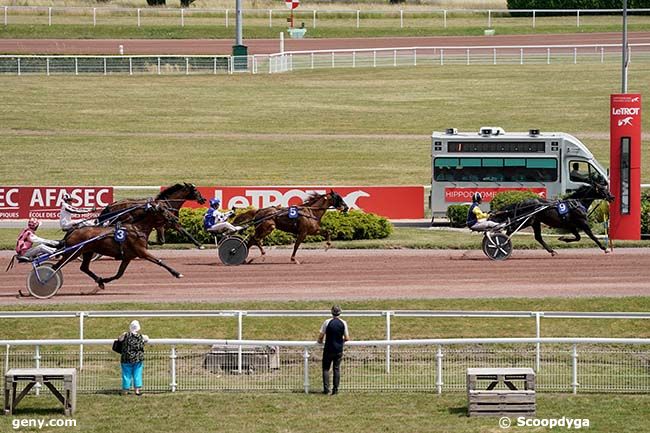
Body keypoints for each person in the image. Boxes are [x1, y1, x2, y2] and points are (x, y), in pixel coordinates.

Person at [317, 305, 350, 395]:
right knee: (336, 369)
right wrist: (340, 342)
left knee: (326, 369)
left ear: (331, 312)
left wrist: (320, 341)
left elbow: (321, 336)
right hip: (338, 350)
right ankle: (335, 390)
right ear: (340, 312)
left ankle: (326, 389)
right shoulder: (343, 323)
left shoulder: (327, 322)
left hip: (328, 349)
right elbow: (347, 338)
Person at [117, 320, 149, 396]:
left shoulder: (125, 335)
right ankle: (137, 390)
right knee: (137, 374)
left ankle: (125, 390)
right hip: (137, 359)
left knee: (126, 374)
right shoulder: (141, 336)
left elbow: (119, 339)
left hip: (126, 358)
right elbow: (147, 339)